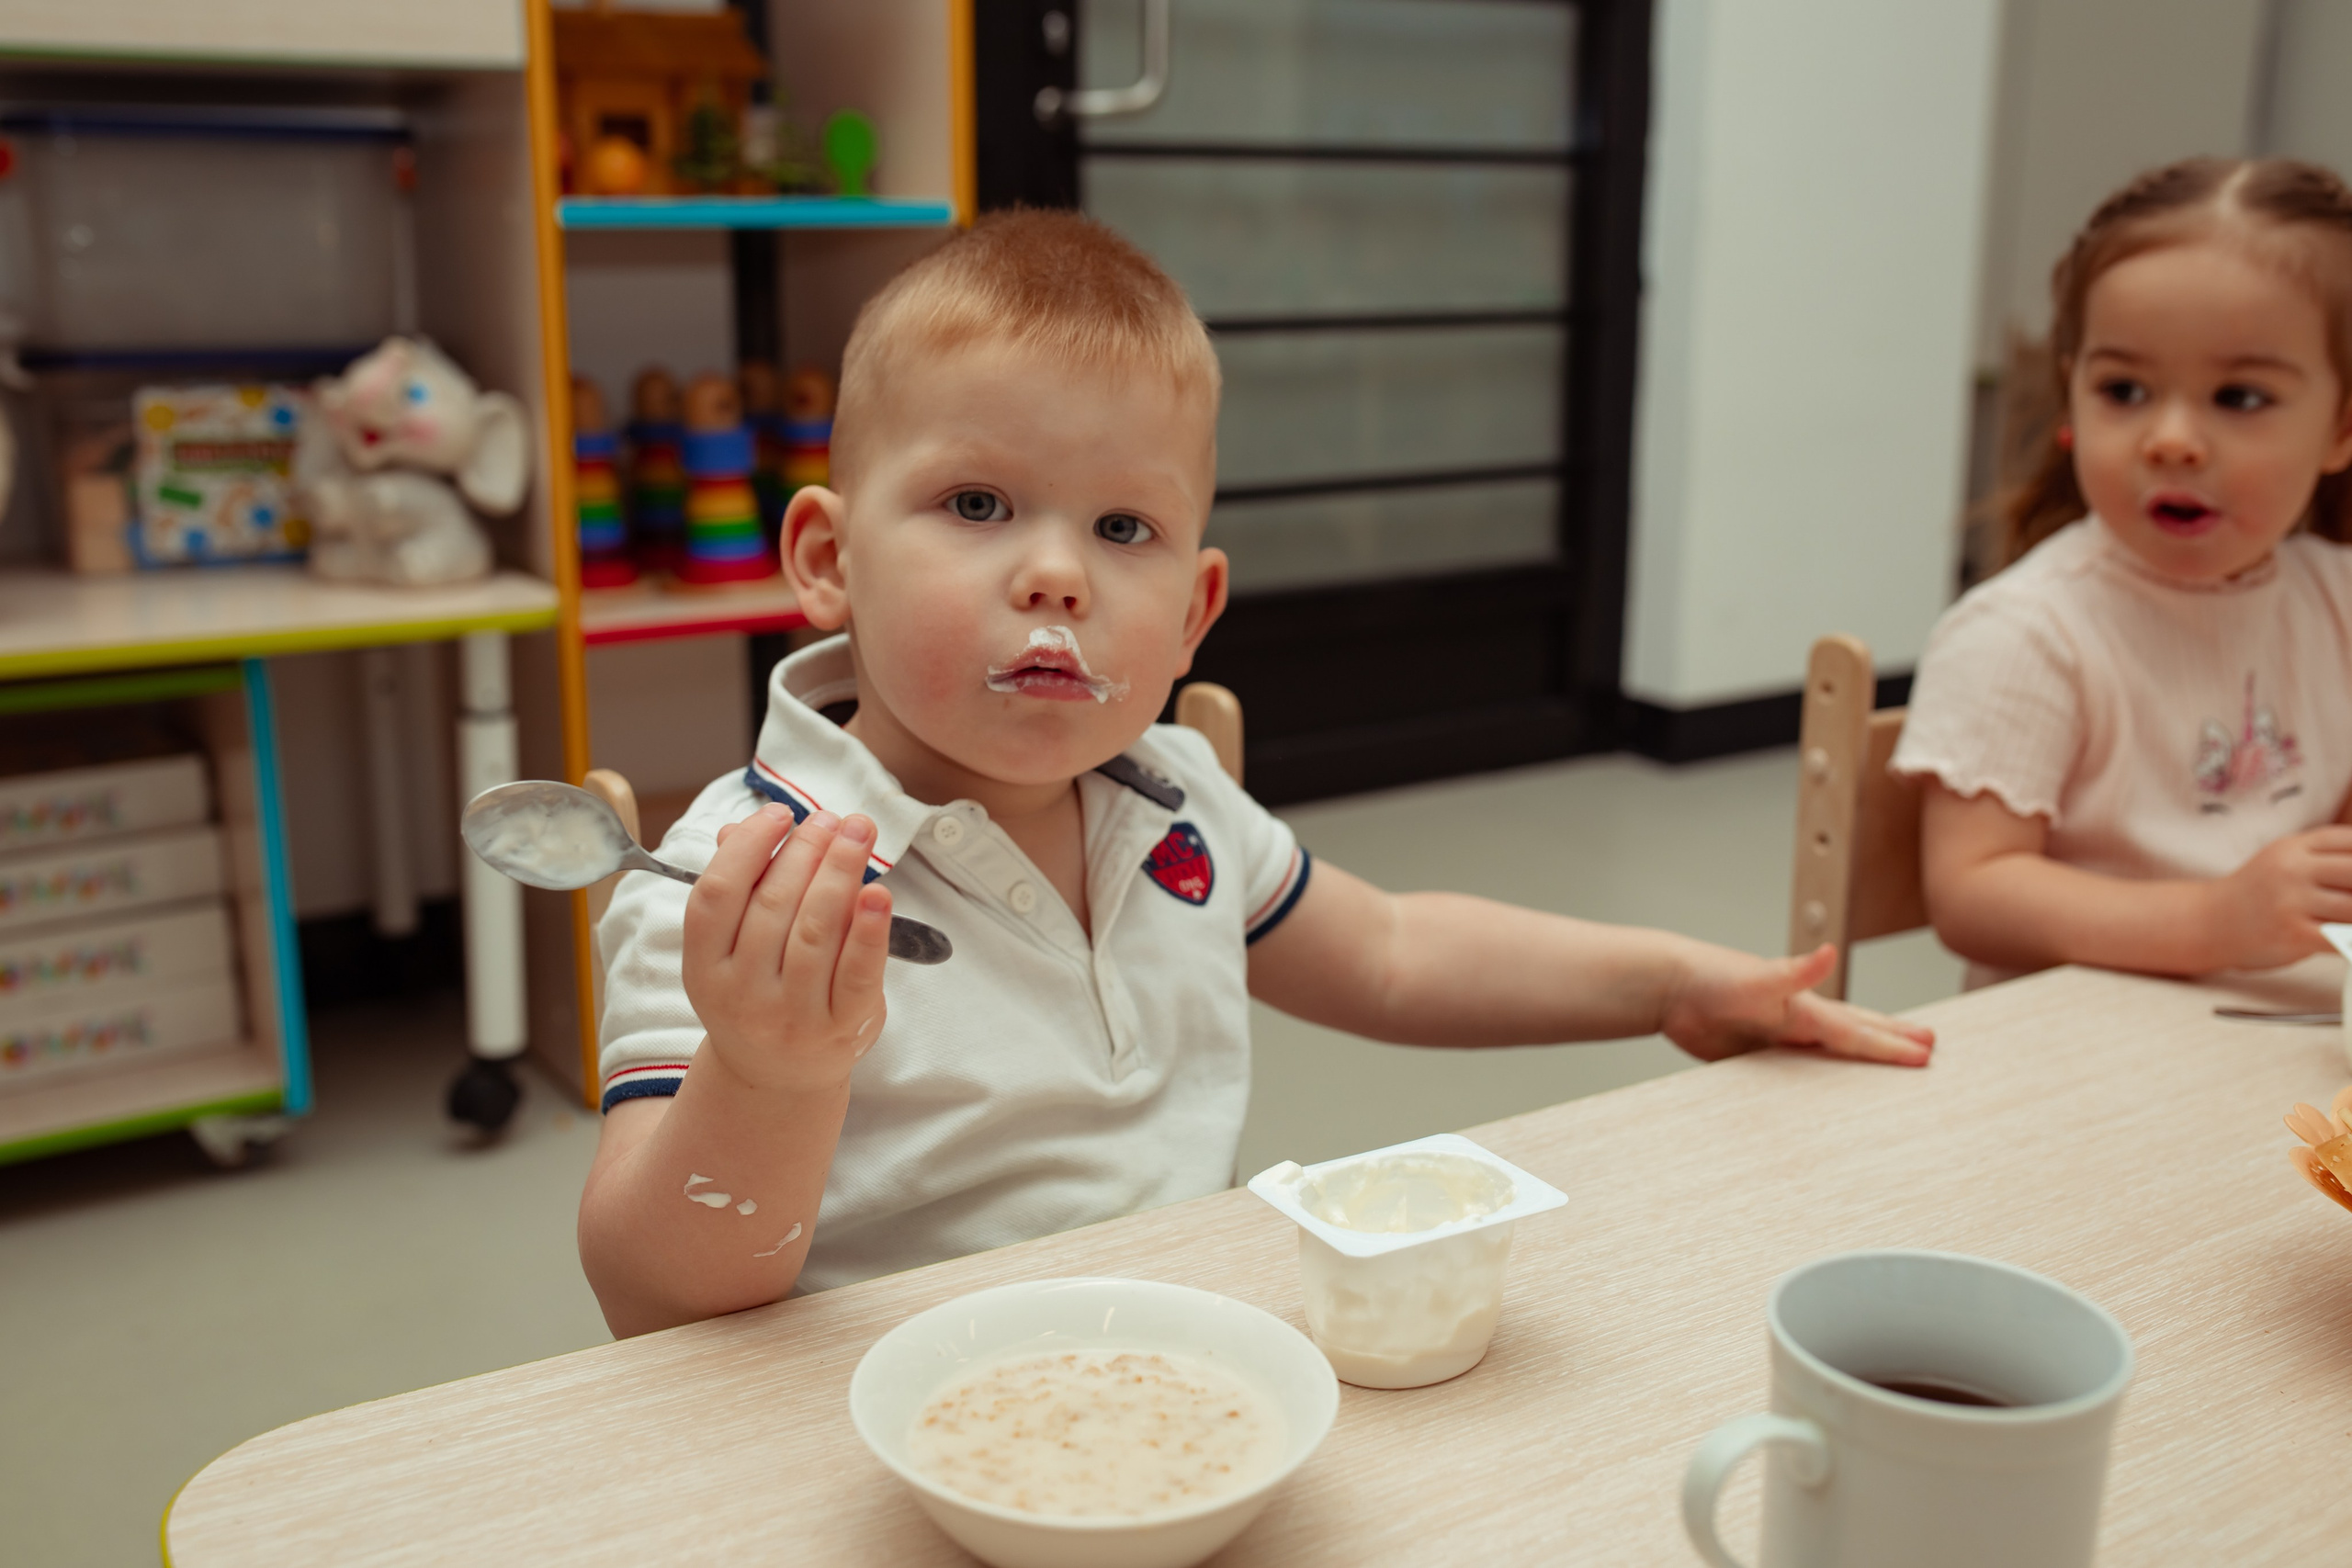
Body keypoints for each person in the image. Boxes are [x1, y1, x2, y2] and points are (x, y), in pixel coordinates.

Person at [580, 210, 1934, 1337]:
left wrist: (1669, 984)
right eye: (977, 504)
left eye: (1124, 527)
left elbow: (1392, 954)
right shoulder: (731, 881)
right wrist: (768, 1073)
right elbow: (652, 1297)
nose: (1055, 573)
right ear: (828, 559)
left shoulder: (1173, 795)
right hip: (882, 1427)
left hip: (1185, 1363)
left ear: (1193, 615)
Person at [1899, 158, 2352, 987]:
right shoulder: (2025, 634)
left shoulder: (2337, 598)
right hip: (2073, 1046)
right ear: (2071, 397)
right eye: (2124, 389)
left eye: (2239, 397)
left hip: (2277, 1029)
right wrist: (2216, 921)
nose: (2170, 440)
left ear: (2341, 429)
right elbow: (1970, 892)